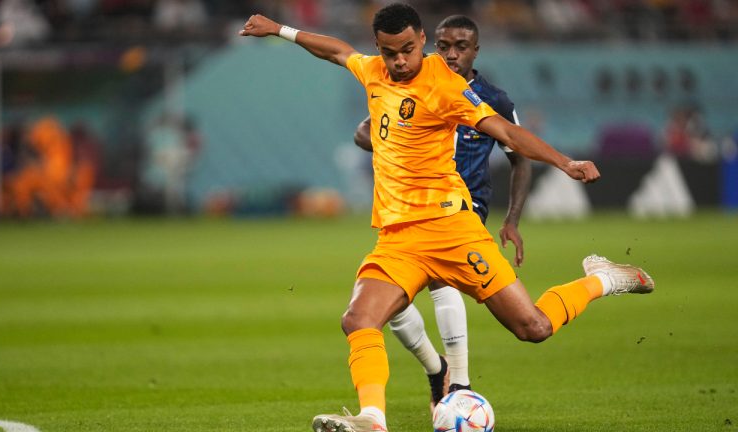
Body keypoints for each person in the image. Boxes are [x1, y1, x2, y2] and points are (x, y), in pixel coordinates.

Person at [239, 4, 654, 431]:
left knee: (533, 327)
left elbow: (508, 133)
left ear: (421, 40)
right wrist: (280, 30)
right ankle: (372, 419)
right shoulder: (376, 72)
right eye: (388, 52)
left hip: (452, 230)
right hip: (399, 237)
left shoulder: (446, 85)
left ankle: (603, 278)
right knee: (358, 319)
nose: (398, 61)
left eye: (406, 50)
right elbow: (337, 51)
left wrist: (566, 162)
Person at [351, 14, 532, 410]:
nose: (450, 54)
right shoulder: (414, 82)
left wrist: (513, 218)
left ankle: (458, 388)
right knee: (393, 310)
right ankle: (437, 369)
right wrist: (393, 146)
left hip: (462, 206)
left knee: (441, 285)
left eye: (460, 47)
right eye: (444, 45)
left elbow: (519, 157)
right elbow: (364, 130)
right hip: (407, 206)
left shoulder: (492, 98)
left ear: (475, 51)